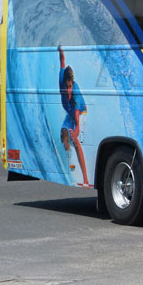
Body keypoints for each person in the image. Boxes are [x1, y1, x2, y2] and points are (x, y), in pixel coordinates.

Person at [58, 46, 89, 186]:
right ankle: (68, 156)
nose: (68, 90)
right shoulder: (62, 80)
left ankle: (86, 179)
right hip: (70, 112)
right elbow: (62, 61)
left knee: (75, 141)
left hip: (81, 113)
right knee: (63, 134)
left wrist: (76, 131)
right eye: (67, 86)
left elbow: (77, 117)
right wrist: (61, 50)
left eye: (70, 86)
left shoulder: (75, 95)